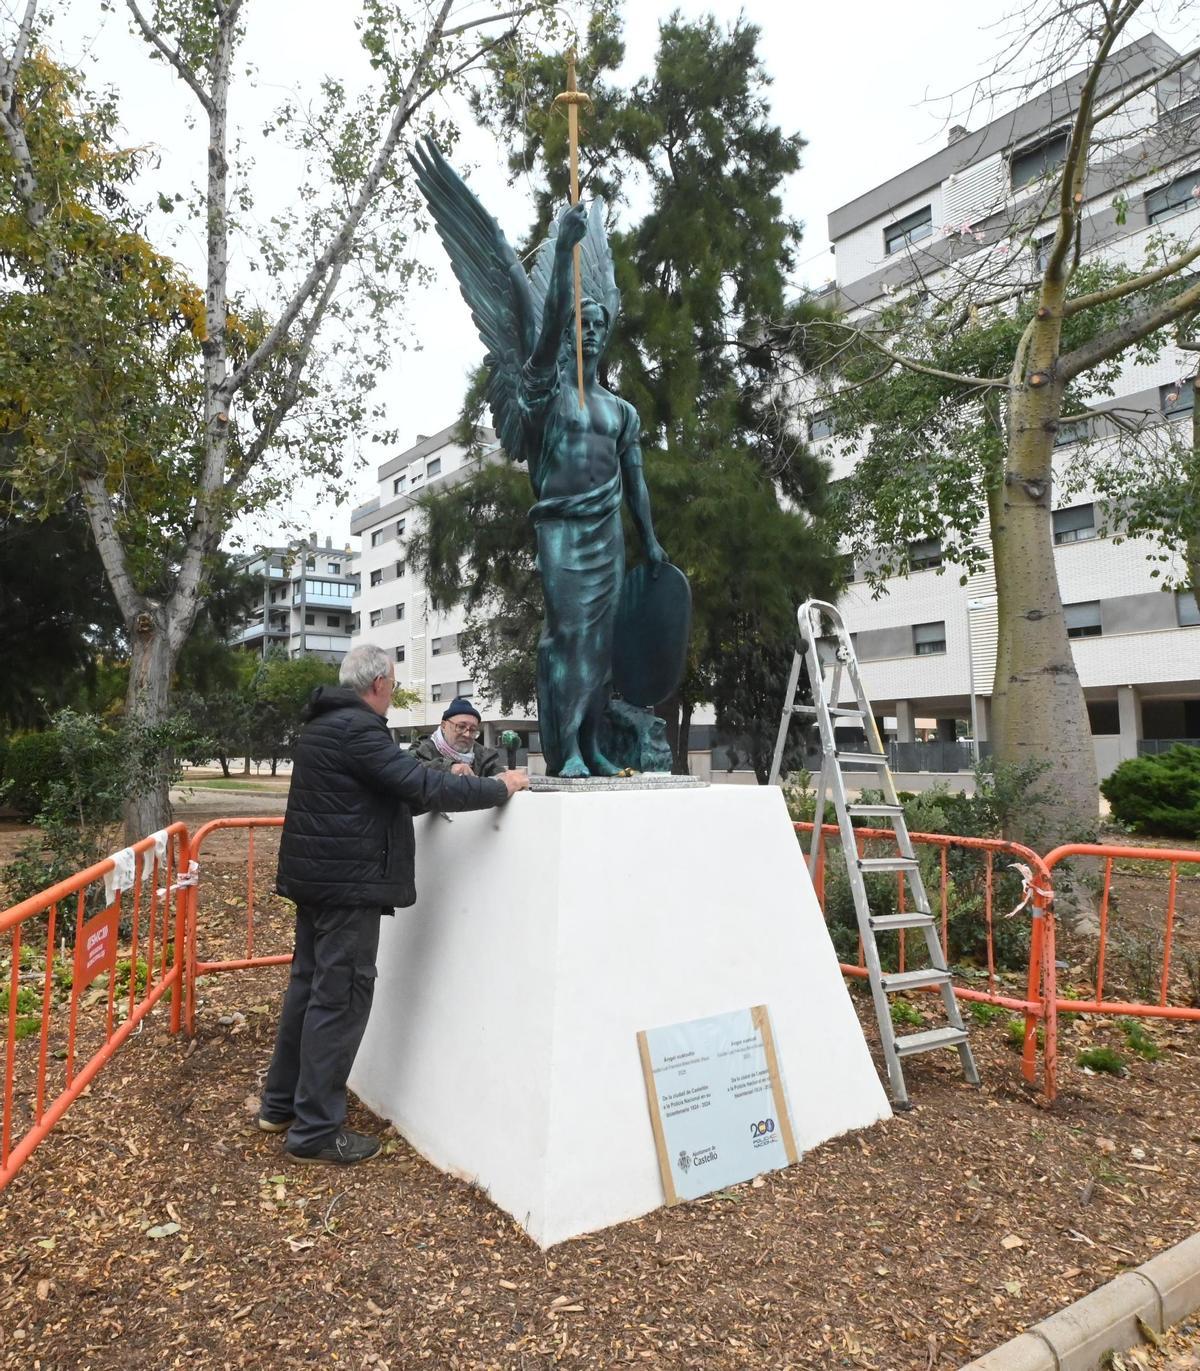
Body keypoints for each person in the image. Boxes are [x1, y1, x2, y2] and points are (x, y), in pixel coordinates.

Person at [259, 644, 529, 1164]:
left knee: (307, 990)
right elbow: (416, 783)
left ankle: (280, 1106)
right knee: (339, 998)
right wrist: (501, 786)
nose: (394, 693)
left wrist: (434, 784)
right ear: (379, 683)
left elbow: (380, 789)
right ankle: (315, 1131)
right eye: (395, 683)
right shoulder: (358, 729)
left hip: (315, 882)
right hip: (349, 888)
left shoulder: (322, 726)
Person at [519, 208, 669, 778]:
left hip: (607, 532)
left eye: (599, 324)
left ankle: (593, 745)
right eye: (581, 322)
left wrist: (651, 542)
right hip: (561, 527)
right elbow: (549, 325)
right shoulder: (548, 395)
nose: (590, 330)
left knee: (602, 646)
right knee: (570, 636)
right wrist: (564, 251)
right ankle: (568, 752)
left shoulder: (621, 411)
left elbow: (636, 481)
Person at [411, 697, 504, 778]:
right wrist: (449, 768)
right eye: (461, 727)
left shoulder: (485, 756)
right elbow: (409, 771)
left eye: (472, 730)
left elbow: (500, 775)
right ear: (444, 726)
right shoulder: (421, 749)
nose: (467, 734)